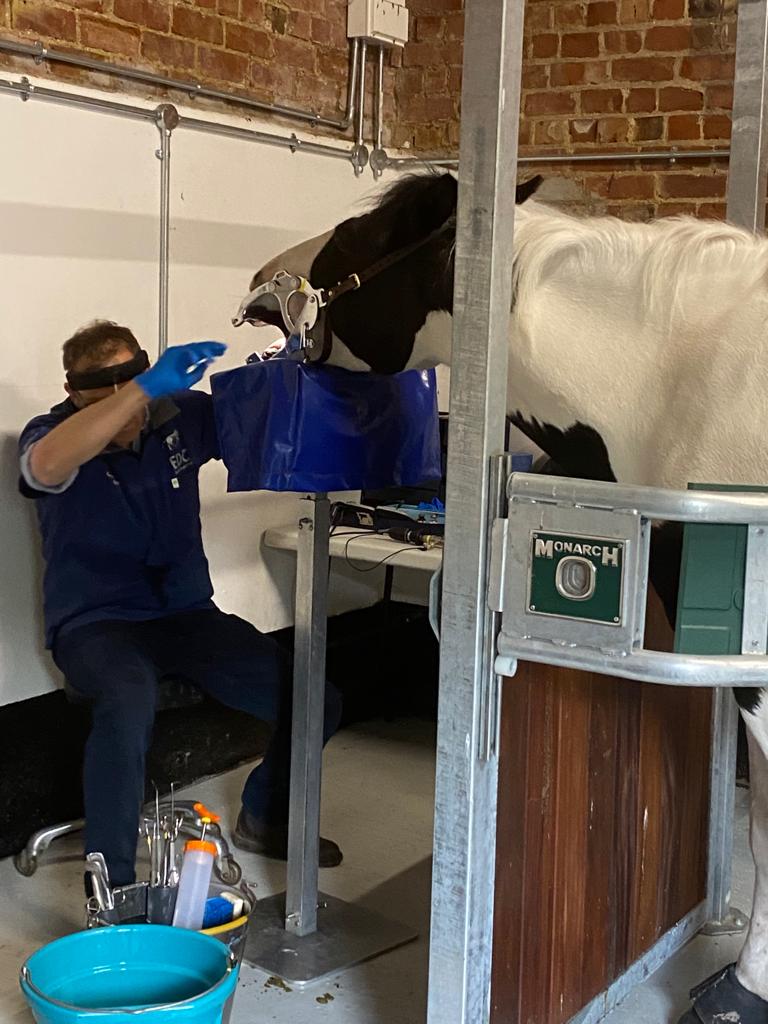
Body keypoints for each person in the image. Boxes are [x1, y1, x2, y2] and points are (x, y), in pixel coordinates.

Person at [18, 320, 343, 888]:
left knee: (316, 696)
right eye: (113, 404)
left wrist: (290, 364)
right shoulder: (51, 435)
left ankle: (264, 816)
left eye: (139, 394)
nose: (132, 415)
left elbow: (259, 418)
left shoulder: (178, 415)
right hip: (96, 625)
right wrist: (139, 391)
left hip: (187, 615)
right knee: (128, 693)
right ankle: (111, 888)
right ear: (77, 397)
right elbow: (45, 467)